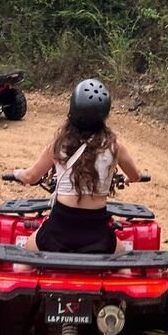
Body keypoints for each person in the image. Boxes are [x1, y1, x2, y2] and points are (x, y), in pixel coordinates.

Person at [11, 79, 142, 254]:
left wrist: (17, 173)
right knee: (123, 262)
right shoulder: (114, 147)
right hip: (98, 235)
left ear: (72, 110)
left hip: (59, 231)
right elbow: (135, 176)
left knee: (24, 257)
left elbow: (30, 177)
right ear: (104, 114)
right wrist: (129, 178)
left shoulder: (59, 145)